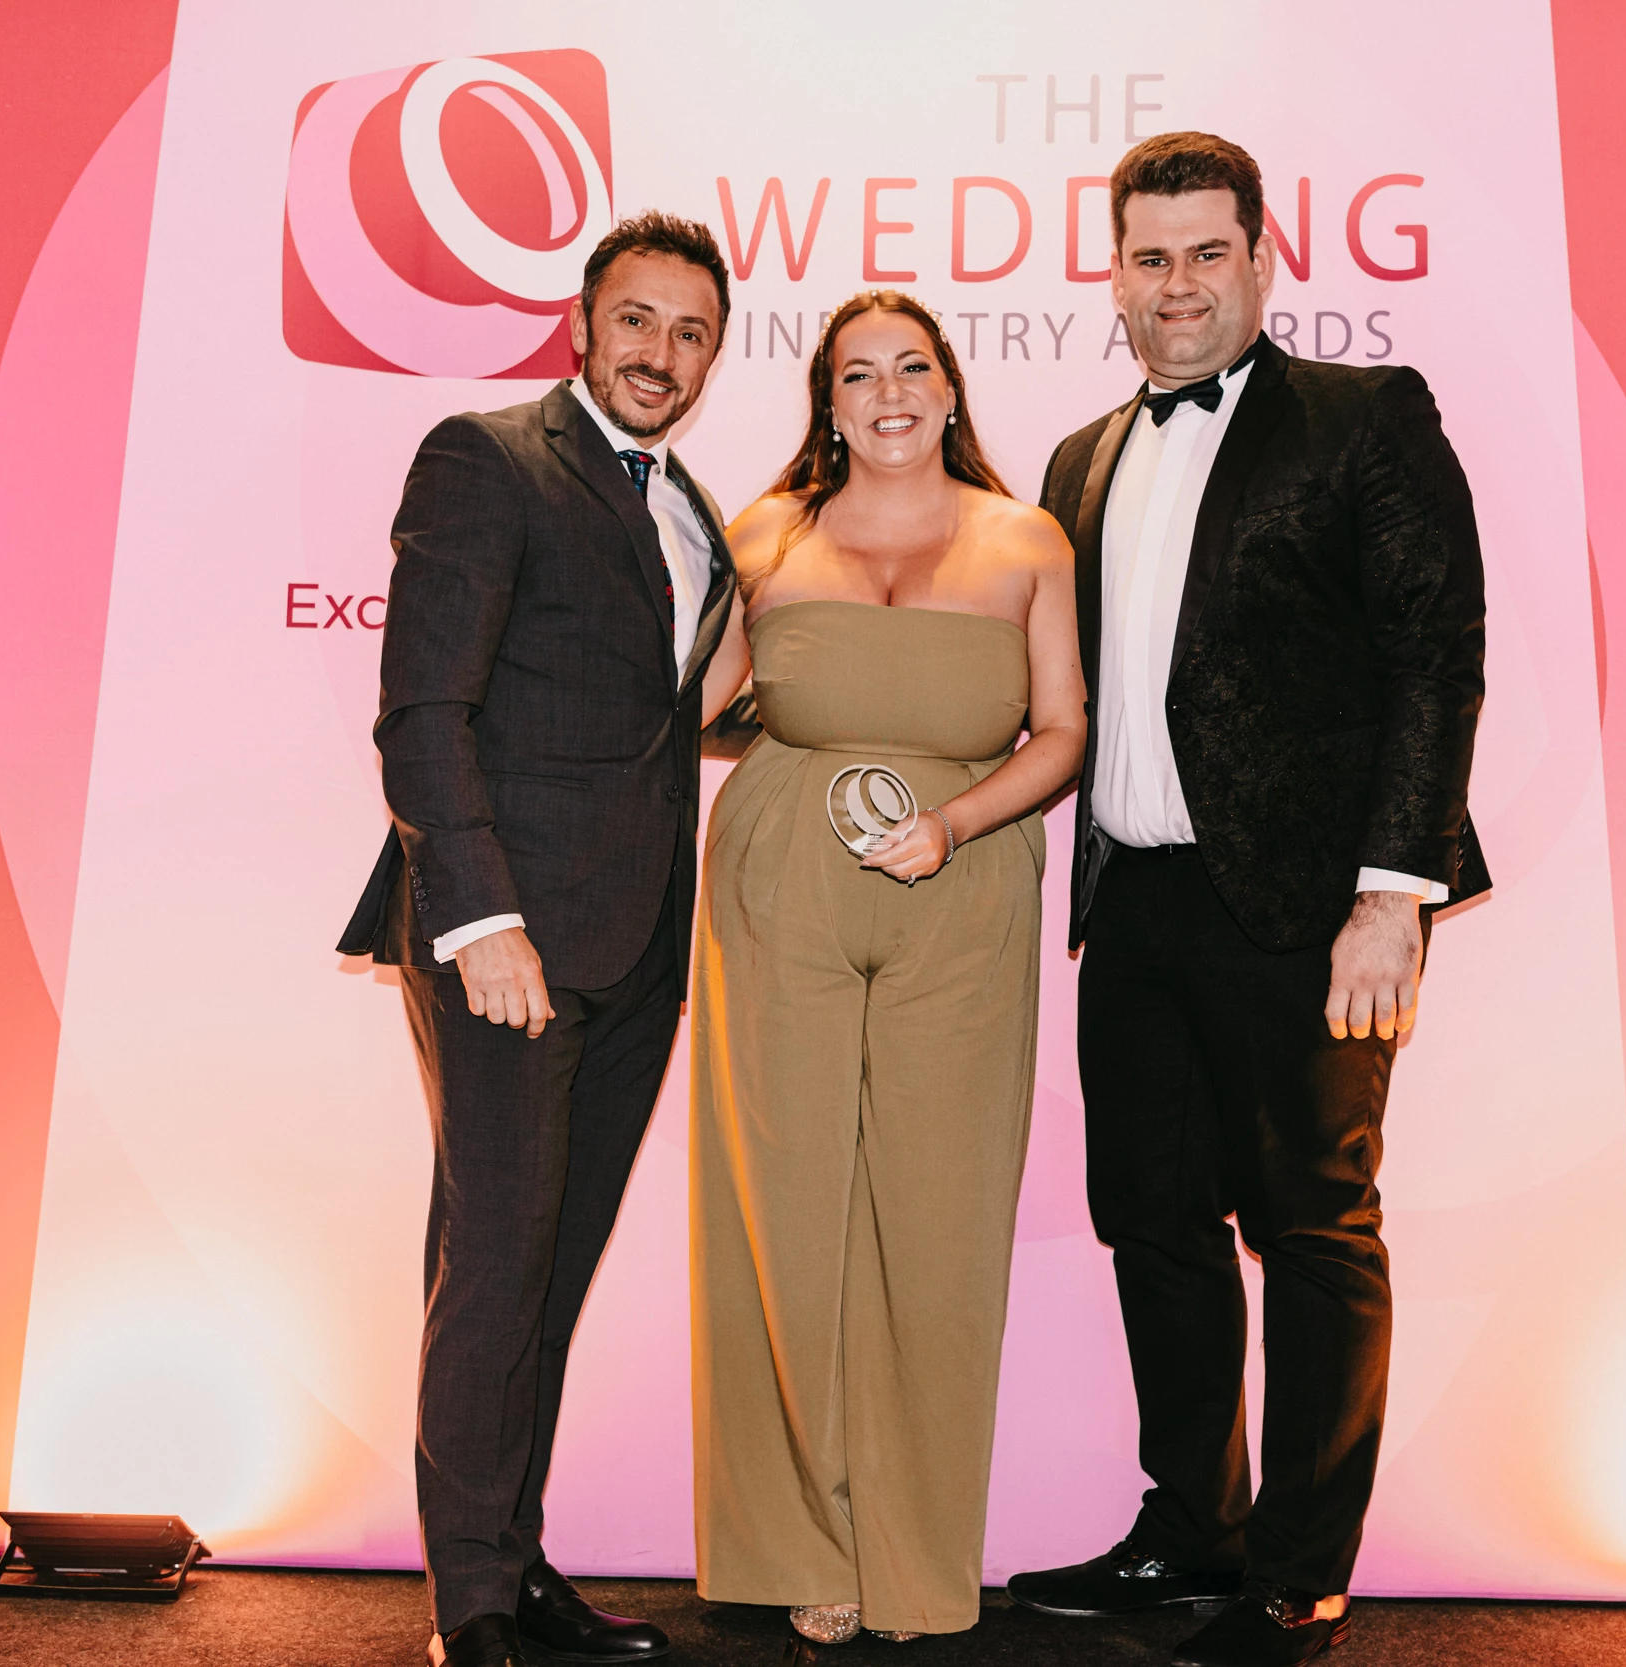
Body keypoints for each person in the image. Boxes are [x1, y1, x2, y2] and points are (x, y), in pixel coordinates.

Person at [1003, 133, 1489, 1667]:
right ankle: (1188, 1530)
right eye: (1151, 258)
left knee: (1317, 1224)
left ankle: (1299, 1569)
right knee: (1156, 1222)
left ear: (1264, 261)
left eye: (1209, 253)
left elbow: (1436, 650)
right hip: (1132, 907)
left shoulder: (1364, 416)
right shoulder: (1079, 459)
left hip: (1309, 909)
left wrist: (1391, 890)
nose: (1180, 284)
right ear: (1116, 275)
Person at [335, 211, 741, 1667]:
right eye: (638, 321)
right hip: (505, 944)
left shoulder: (690, 504)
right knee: (497, 1268)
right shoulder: (487, 457)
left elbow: (664, 711)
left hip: (636, 956)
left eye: (693, 332)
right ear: (583, 325)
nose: (662, 353)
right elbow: (422, 712)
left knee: (550, 1277)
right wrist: (479, 920)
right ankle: (471, 1612)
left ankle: (516, 1564)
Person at [687, 291, 1086, 1645]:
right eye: (860, 374)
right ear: (828, 400)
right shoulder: (763, 531)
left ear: (953, 387)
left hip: (965, 884)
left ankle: (920, 1557)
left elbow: (1062, 729)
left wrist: (958, 823)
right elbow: (698, 701)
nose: (891, 393)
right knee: (781, 1209)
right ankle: (800, 1539)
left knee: (940, 1219)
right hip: (779, 875)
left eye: (913, 366)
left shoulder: (1026, 536)